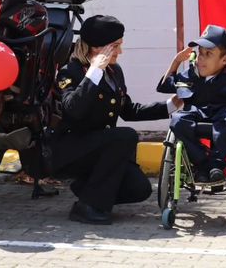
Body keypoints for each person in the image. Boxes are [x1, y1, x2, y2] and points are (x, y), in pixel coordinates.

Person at [52, 15, 181, 225]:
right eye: (115, 46)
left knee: (139, 188)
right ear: (97, 47)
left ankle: (88, 192)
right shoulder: (71, 71)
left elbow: (129, 110)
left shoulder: (115, 72)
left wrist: (172, 104)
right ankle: (87, 207)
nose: (120, 52)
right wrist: (94, 72)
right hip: (72, 150)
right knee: (125, 136)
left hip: (100, 152)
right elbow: (73, 109)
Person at [157, 25, 226, 183]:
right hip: (197, 112)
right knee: (177, 121)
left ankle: (216, 165)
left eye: (208, 54)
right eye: (200, 53)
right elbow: (165, 86)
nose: (200, 58)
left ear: (225, 60)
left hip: (225, 113)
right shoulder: (193, 73)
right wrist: (176, 61)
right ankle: (201, 163)